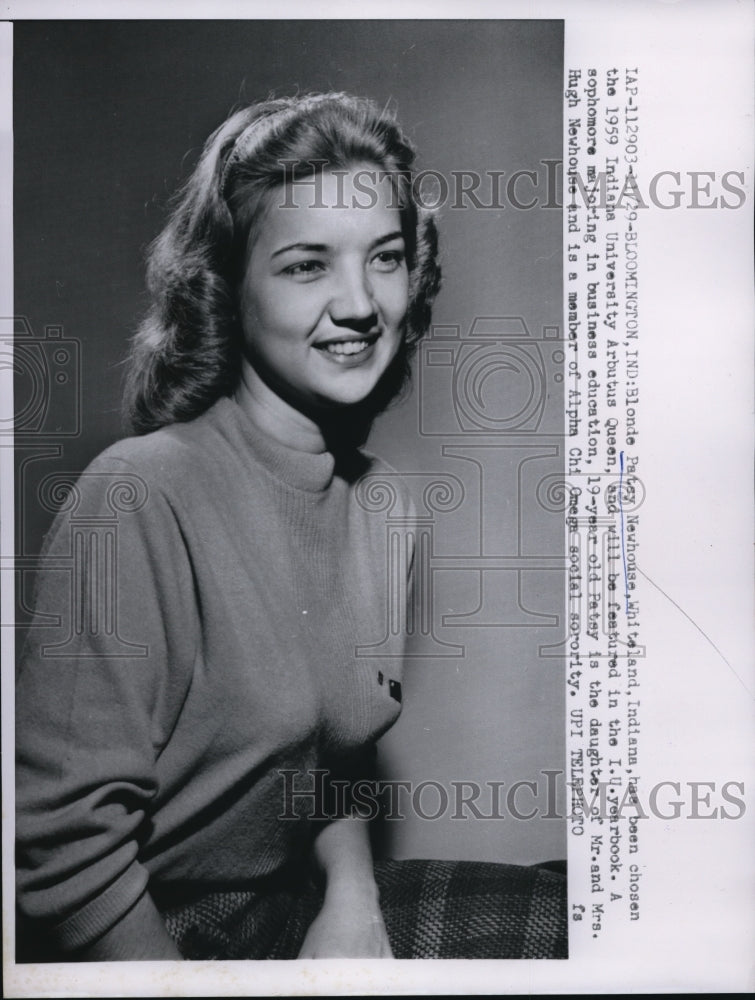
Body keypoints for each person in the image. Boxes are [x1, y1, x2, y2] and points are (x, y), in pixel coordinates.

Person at [16, 93, 566, 962]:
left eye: (383, 258)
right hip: (145, 932)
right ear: (227, 289)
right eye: (307, 266)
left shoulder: (384, 505)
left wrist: (353, 904)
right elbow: (58, 851)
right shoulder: (137, 495)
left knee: (585, 908)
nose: (358, 304)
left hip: (292, 904)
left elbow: (327, 762)